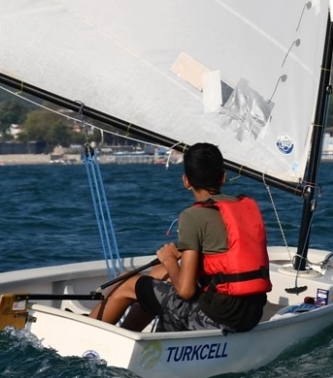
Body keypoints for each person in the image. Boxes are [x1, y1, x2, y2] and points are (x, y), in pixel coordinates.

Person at [92, 142, 271, 333]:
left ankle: (89, 334)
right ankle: (129, 337)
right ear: (223, 178)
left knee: (125, 282)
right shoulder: (243, 208)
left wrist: (169, 259)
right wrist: (169, 265)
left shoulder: (192, 216)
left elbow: (186, 291)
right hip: (249, 314)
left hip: (215, 319)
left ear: (186, 181)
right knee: (159, 274)